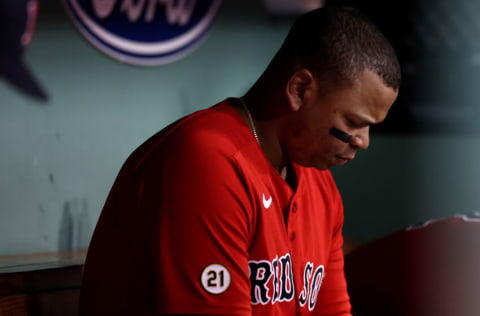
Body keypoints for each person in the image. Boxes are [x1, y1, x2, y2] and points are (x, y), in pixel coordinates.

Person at [79, 6, 400, 316]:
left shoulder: (321, 187)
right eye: (353, 122)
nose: (363, 141)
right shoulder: (207, 159)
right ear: (300, 90)